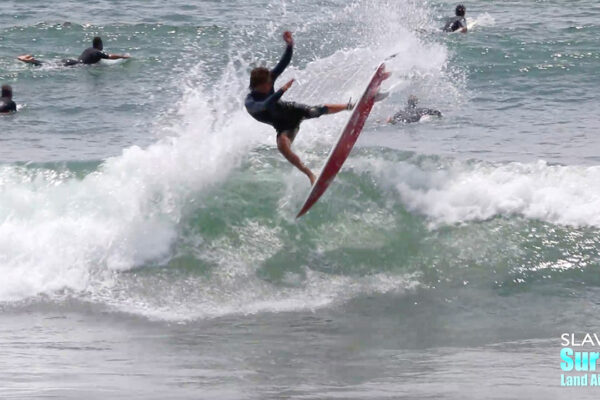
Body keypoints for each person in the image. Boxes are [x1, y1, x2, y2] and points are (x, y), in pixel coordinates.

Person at [245, 31, 354, 185]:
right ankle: (310, 175)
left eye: (271, 82)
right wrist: (282, 90)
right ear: (259, 86)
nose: (271, 84)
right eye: (268, 84)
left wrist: (290, 45)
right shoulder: (250, 103)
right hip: (283, 127)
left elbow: (283, 64)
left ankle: (350, 106)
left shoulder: (268, 79)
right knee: (283, 146)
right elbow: (265, 105)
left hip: (291, 110)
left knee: (316, 110)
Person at [17, 37, 130, 67]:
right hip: (75, 65)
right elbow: (110, 56)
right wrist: (123, 57)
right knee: (47, 66)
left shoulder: (89, 49)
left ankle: (29, 59)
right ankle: (30, 61)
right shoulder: (97, 52)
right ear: (100, 45)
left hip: (72, 61)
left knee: (48, 64)